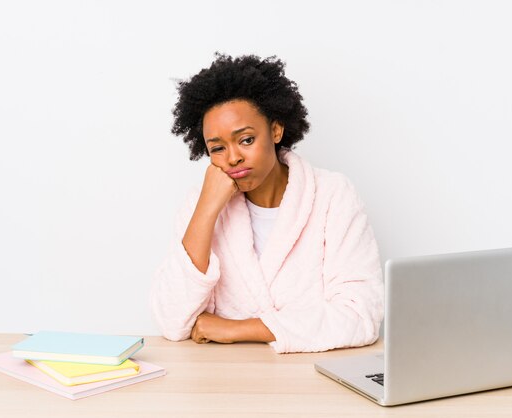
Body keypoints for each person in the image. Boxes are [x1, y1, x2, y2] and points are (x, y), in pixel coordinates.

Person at [151, 53, 384, 353]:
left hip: (313, 382)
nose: (233, 157)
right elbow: (172, 320)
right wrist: (207, 209)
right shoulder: (201, 203)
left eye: (246, 140)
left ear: (276, 130)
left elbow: (360, 314)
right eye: (218, 148)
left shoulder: (333, 195)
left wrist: (237, 330)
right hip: (222, 382)